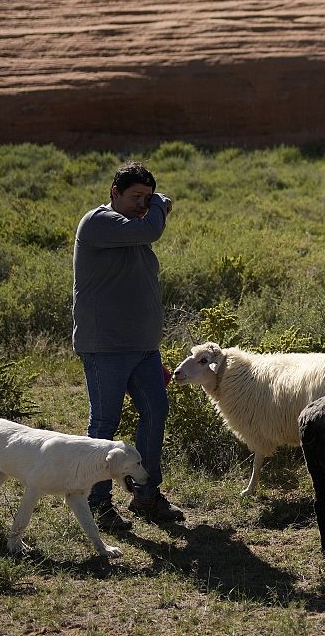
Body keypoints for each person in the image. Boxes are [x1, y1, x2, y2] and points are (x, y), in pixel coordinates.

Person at [72, 161, 185, 529]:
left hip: (143, 347)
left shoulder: (133, 230)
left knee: (156, 414)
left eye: (148, 198)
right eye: (136, 197)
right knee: (105, 423)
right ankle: (97, 502)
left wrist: (153, 345)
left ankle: (147, 494)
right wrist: (160, 205)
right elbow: (152, 230)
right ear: (114, 193)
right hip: (105, 347)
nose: (143, 204)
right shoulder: (98, 223)